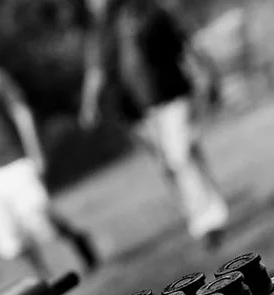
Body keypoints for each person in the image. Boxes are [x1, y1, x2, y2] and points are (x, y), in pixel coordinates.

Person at [0, 45, 99, 280]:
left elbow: (22, 114)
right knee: (11, 240)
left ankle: (77, 240)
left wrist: (35, 152)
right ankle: (43, 280)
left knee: (41, 220)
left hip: (14, 164)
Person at [80, 0, 230, 247]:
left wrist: (208, 73)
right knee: (174, 163)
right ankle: (204, 210)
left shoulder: (148, 13)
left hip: (171, 97)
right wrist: (90, 105)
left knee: (179, 157)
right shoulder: (101, 33)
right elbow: (97, 72)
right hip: (138, 113)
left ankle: (208, 221)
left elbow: (185, 42)